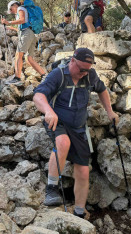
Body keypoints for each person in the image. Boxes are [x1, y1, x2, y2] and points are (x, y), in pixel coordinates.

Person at [33, 47, 119, 218]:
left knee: (84, 170)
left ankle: (79, 210)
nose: (84, 73)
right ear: (72, 61)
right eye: (81, 69)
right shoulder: (58, 75)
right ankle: (51, 189)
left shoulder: (90, 75)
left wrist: (110, 111)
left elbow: (101, 90)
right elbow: (38, 95)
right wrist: (48, 111)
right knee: (63, 143)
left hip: (79, 127)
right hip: (57, 120)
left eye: (87, 70)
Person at [1, 0, 46, 84]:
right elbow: (23, 26)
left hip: (27, 34)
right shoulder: (25, 10)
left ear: (15, 5)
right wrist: (11, 27)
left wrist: (8, 22)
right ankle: (44, 75)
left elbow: (22, 20)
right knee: (29, 59)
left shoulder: (20, 8)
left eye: (11, 9)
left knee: (18, 54)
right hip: (31, 34)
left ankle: (17, 78)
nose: (11, 11)